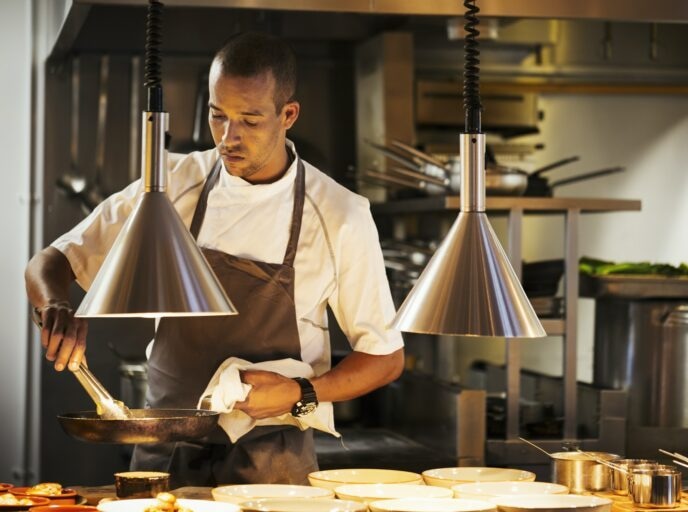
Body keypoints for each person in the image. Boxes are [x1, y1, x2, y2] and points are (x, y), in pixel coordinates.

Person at [24, 31, 404, 486]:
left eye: (249, 119)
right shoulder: (169, 184)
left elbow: (384, 358)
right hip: (163, 451)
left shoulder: (340, 213)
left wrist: (300, 392)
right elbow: (49, 262)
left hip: (270, 463)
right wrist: (56, 306)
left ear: (288, 115)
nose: (229, 137)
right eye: (217, 115)